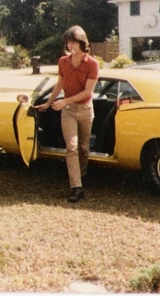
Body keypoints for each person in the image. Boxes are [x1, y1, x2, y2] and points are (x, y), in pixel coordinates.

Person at [35, 26, 99, 202]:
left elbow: (88, 92)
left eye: (73, 42)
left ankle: (81, 175)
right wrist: (48, 103)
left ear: (82, 42)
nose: (70, 46)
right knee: (71, 147)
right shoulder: (63, 61)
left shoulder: (92, 63)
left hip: (85, 109)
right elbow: (59, 85)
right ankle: (76, 187)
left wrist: (65, 101)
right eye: (68, 42)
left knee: (84, 148)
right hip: (68, 111)